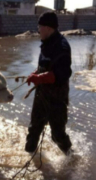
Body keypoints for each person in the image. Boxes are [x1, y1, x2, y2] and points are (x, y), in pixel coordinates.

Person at [25, 12, 73, 155]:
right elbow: (44, 66)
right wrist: (35, 74)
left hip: (57, 99)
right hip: (41, 95)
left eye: (39, 26)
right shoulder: (46, 42)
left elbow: (60, 75)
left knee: (57, 135)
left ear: (48, 27)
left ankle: (71, 157)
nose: (38, 29)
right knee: (33, 129)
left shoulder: (62, 47)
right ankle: (29, 156)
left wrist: (39, 78)